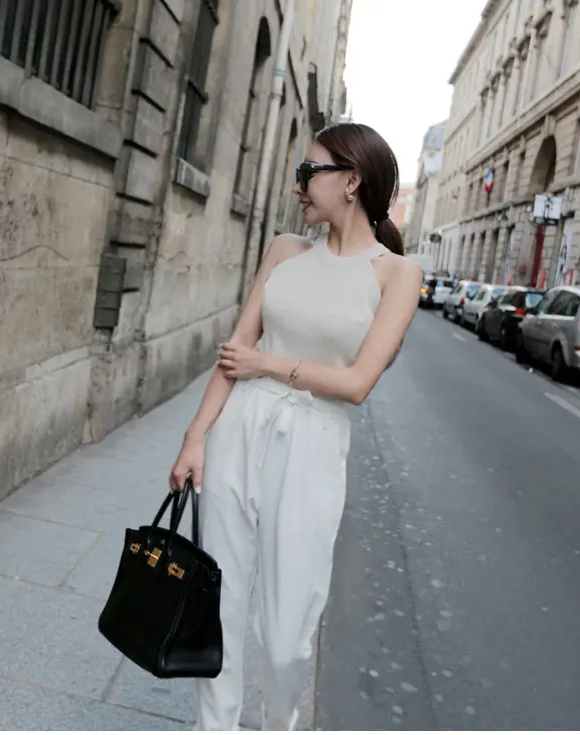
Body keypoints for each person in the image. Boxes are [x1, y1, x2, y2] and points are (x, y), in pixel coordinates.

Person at [169, 123, 422, 730]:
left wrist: (269, 365)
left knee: (286, 638)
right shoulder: (286, 250)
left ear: (351, 181)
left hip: (313, 443)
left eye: (309, 173)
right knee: (219, 604)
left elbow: (357, 384)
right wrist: (195, 437)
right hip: (239, 428)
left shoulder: (396, 274)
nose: (298, 186)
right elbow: (236, 350)